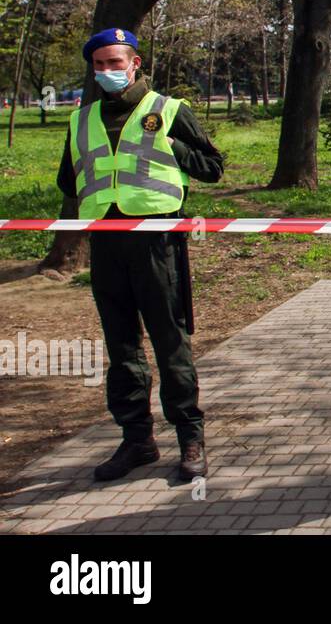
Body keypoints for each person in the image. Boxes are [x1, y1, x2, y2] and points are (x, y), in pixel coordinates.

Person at [56, 28, 224, 482]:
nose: (108, 71)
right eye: (99, 65)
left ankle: (190, 438)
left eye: (116, 63)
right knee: (121, 346)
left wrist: (171, 148)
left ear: (135, 63)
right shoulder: (81, 119)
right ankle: (136, 440)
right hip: (106, 244)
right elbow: (68, 182)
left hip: (157, 243)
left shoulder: (168, 110)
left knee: (171, 344)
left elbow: (213, 167)